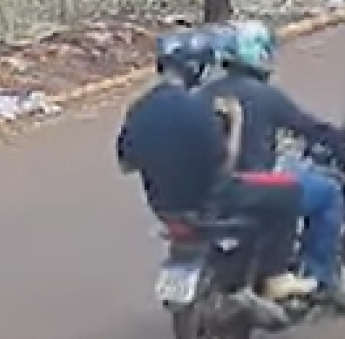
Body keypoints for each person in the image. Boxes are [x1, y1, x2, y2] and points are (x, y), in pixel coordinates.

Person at [116, 28, 305, 300]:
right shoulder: (199, 108)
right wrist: (236, 120)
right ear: (196, 67)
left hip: (164, 207)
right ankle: (276, 276)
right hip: (212, 200)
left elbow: (126, 164)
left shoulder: (139, 109)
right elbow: (226, 161)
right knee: (289, 191)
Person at [202, 19, 345, 299]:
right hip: (253, 186)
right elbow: (308, 128)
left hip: (210, 189)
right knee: (329, 193)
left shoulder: (204, 94)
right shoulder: (266, 96)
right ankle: (317, 275)